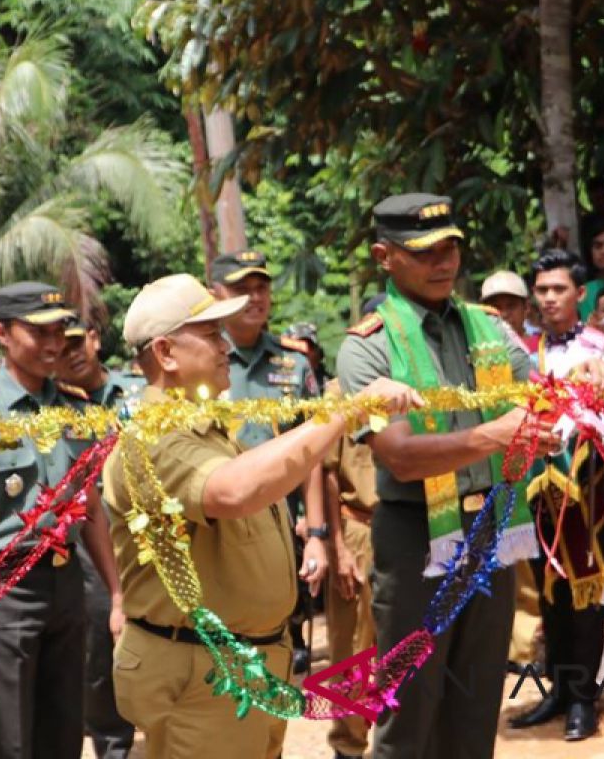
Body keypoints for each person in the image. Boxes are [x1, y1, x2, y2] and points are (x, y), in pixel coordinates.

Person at [103, 273, 419, 759]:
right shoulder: (156, 437)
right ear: (165, 353)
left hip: (238, 670)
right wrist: (345, 411)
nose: (225, 344)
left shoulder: (206, 429)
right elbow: (233, 490)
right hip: (201, 675)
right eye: (210, 334)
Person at [337, 193, 604, 758]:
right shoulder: (367, 349)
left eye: (452, 247)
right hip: (414, 539)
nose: (445, 262)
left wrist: (583, 375)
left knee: (475, 704)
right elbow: (401, 456)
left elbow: (540, 397)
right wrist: (493, 435)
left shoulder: (488, 330)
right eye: (426, 251)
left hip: (491, 528)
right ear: (384, 256)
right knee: (409, 712)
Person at [0, 282, 122, 759]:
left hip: (68, 586)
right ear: (2, 333)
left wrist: (117, 594)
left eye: (60, 331)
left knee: (64, 731)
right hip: (3, 591)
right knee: (9, 740)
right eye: (38, 332)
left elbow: (92, 510)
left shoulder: (77, 410)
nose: (53, 344)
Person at [509, 250, 604, 741]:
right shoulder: (525, 353)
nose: (548, 298)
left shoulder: (603, 347)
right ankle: (557, 690)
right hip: (537, 486)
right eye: (542, 290)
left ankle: (584, 700)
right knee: (548, 590)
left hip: (589, 486)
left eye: (559, 289)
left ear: (580, 293)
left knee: (584, 590)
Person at [209, 250, 327, 677]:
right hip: (215, 525)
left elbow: (313, 454)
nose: (255, 298)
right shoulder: (200, 361)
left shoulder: (292, 362)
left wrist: (316, 534)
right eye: (242, 289)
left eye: (261, 287)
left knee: (274, 645)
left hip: (278, 525)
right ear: (214, 294)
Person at [59, 321, 137, 759]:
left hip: (142, 532)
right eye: (60, 346)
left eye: (76, 342)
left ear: (94, 337)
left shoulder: (134, 394)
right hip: (89, 535)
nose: (70, 353)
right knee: (99, 642)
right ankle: (112, 743)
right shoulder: (55, 407)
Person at [320, 377, 379, 759]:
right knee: (352, 651)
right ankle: (349, 748)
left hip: (421, 529)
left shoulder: (424, 376)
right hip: (359, 527)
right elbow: (326, 471)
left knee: (413, 647)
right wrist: (336, 546)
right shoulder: (341, 390)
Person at [480, 270, 534, 339]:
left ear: (526, 307)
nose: (504, 314)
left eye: (511, 306)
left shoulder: (542, 347)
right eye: (496, 307)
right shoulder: (476, 348)